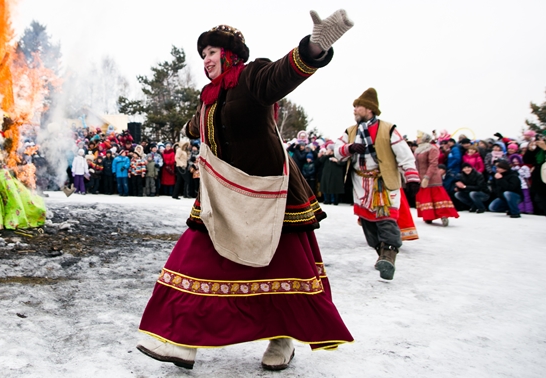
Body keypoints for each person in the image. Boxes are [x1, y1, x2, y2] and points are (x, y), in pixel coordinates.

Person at [138, 15, 353, 371]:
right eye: (202, 54)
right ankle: (183, 338)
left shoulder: (253, 78)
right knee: (193, 259)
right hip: (221, 196)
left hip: (268, 194)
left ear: (230, 54)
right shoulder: (208, 96)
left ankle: (283, 339)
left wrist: (314, 47)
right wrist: (185, 128)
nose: (205, 60)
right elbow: (200, 123)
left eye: (211, 52)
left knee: (283, 270)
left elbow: (284, 73)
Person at [334, 88, 420, 280]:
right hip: (360, 184)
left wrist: (412, 177)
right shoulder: (350, 131)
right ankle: (382, 255)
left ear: (369, 109)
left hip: (383, 183)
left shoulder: (388, 129)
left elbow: (405, 156)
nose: (354, 109)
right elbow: (336, 151)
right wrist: (349, 148)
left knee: (387, 220)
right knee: (368, 225)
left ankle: (388, 258)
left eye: (358, 106)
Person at [414, 132, 459, 226]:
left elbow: (433, 164)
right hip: (420, 176)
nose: (417, 139)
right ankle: (428, 216)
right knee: (425, 197)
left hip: (432, 177)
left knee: (437, 197)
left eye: (419, 137)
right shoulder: (418, 150)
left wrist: (427, 176)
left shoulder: (432, 148)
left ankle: (443, 215)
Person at [522, 132, 546, 215]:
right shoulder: (539, 146)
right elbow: (527, 160)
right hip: (540, 173)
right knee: (540, 195)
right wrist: (530, 150)